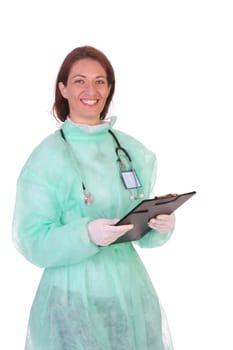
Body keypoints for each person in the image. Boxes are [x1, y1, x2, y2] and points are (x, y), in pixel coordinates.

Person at [12, 45, 176, 350]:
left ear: (110, 88)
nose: (91, 90)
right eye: (79, 81)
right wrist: (85, 234)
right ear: (62, 89)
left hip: (129, 295)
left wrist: (157, 224)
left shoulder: (131, 151)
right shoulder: (47, 158)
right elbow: (31, 239)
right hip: (70, 298)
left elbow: (137, 224)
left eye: (100, 81)